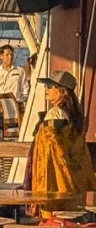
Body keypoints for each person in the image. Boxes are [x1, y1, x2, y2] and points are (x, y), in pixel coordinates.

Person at [25, 69, 96, 210]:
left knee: (52, 214)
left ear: (62, 92)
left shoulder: (55, 115)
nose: (46, 89)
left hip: (55, 182)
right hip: (73, 181)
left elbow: (51, 154)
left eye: (50, 86)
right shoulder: (74, 116)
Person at [0, 45, 27, 137]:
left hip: (17, 107)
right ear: (1, 56)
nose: (10, 57)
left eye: (11, 54)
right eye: (7, 55)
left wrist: (22, 103)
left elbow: (25, 90)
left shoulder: (20, 71)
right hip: (1, 108)